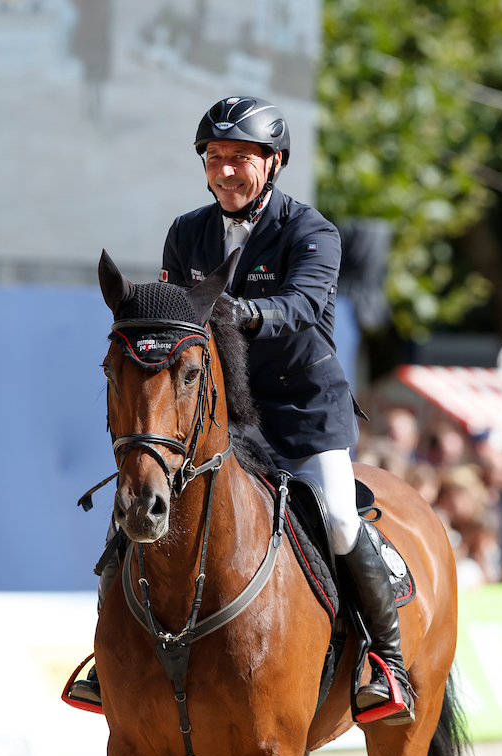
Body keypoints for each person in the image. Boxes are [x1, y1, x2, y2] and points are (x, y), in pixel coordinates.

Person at [71, 97, 414, 724]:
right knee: (137, 510)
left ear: (274, 163)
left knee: (339, 517)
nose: (225, 171)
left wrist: (244, 314)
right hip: (221, 410)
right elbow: (178, 316)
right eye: (215, 158)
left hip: (300, 410)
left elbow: (304, 307)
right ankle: (109, 660)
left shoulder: (312, 232)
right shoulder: (187, 230)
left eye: (239, 159)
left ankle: (384, 664)